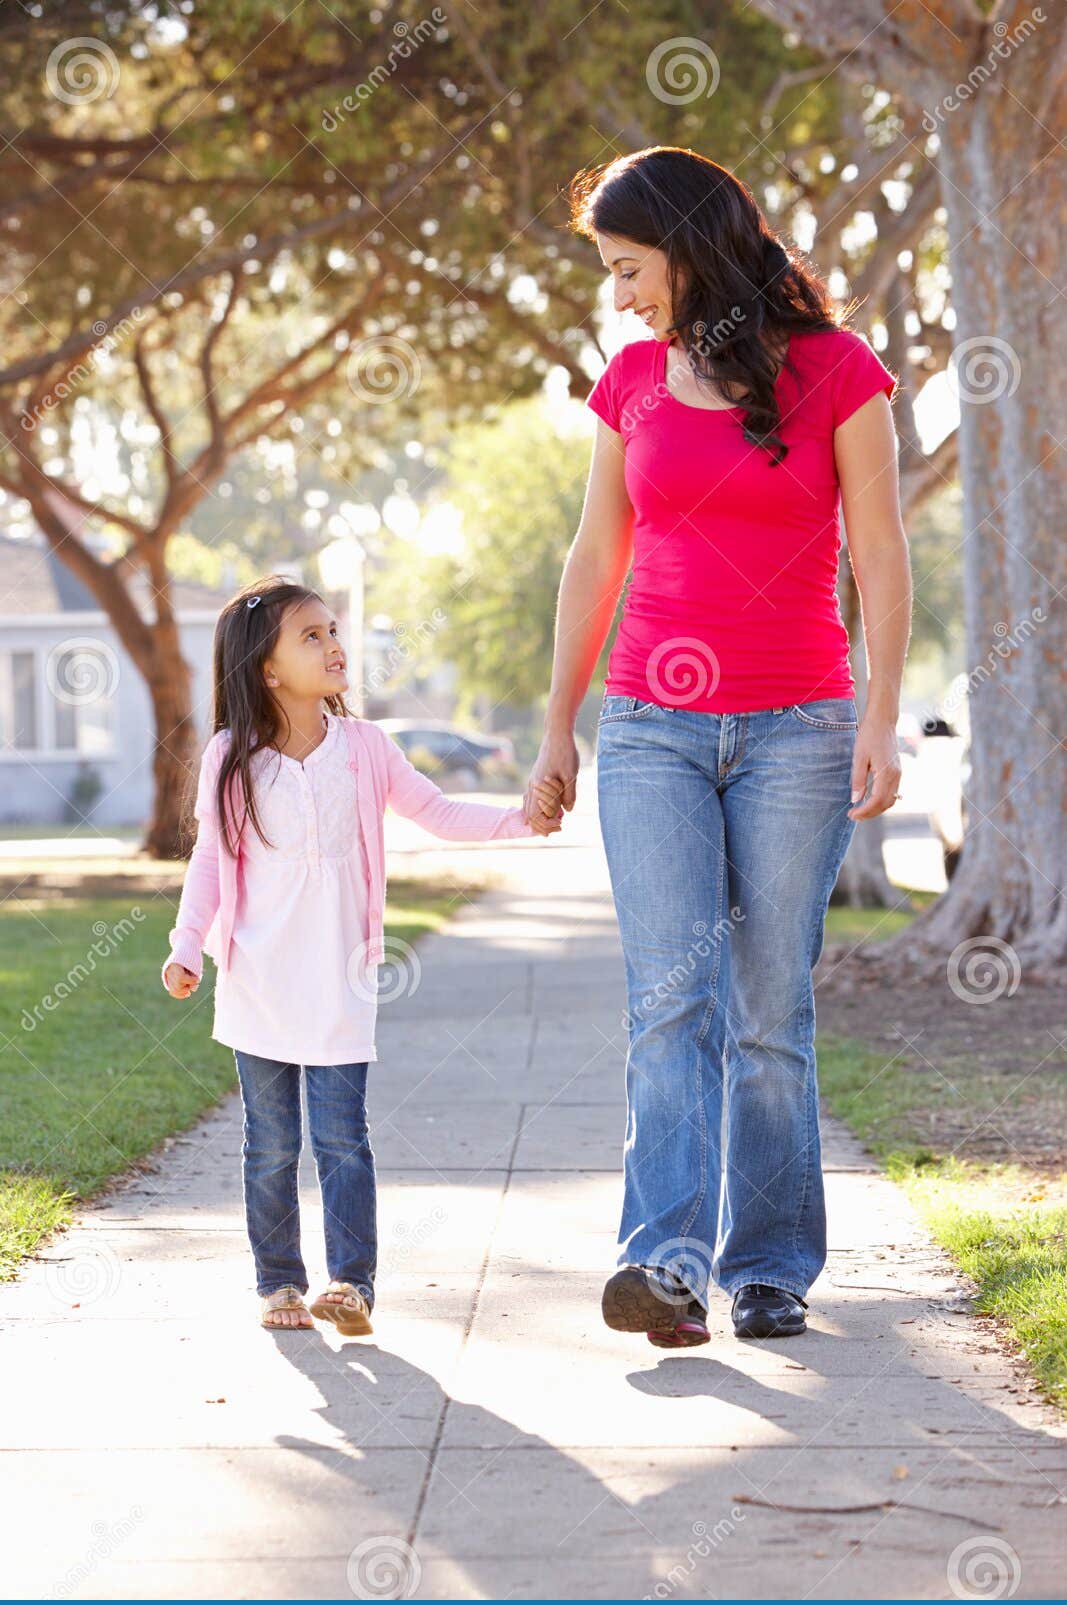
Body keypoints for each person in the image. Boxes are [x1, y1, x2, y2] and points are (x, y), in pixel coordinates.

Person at [526, 147, 909, 1346]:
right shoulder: (630, 379)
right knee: (669, 999)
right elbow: (596, 557)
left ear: (688, 248)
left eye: (627, 267)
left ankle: (771, 1266)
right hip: (650, 727)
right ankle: (666, 1263)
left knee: (764, 1012)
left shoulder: (838, 372)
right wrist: (556, 722)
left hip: (798, 723)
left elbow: (880, 555)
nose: (620, 293)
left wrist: (883, 717)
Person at [163, 576, 559, 1333]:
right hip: (258, 979)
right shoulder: (229, 757)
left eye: (333, 630)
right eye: (310, 636)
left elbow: (437, 811)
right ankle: (278, 1283)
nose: (334, 645)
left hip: (339, 978)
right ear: (267, 669)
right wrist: (188, 946)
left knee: (343, 1137)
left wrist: (519, 820)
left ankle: (351, 1284)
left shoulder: (365, 748)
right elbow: (211, 860)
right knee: (270, 1145)